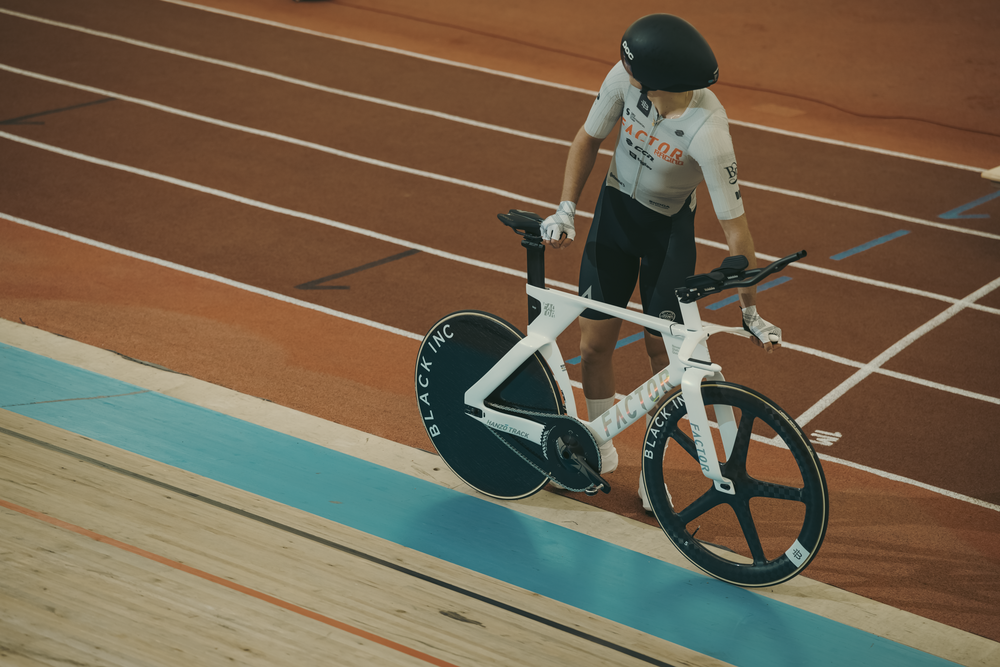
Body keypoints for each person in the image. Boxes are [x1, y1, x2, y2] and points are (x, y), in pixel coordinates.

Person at [540, 14, 782, 509]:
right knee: (592, 346)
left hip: (666, 235)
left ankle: (654, 473)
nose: (626, 72)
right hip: (613, 220)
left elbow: (737, 231)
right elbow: (587, 139)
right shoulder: (623, 80)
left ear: (660, 79)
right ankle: (599, 450)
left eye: (636, 69)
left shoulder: (709, 131)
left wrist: (750, 310)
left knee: (664, 359)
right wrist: (566, 207)